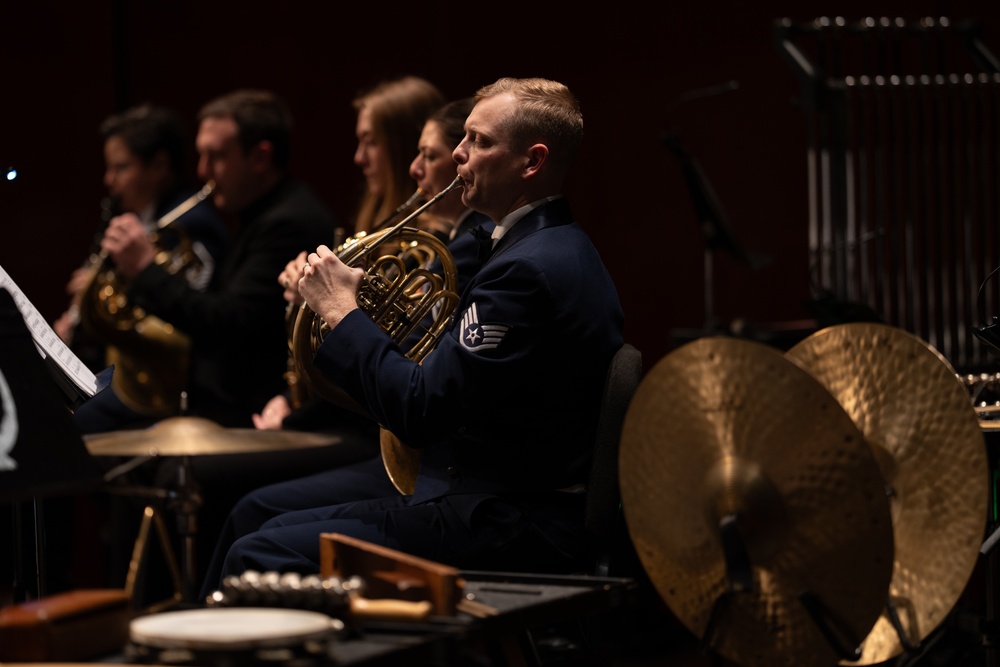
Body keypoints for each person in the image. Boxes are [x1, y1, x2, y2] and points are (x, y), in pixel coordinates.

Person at [205, 77, 624, 589]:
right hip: (486, 500)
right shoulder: (535, 248)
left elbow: (421, 411)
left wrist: (341, 310)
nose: (460, 155)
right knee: (262, 527)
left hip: (507, 520)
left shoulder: (528, 271)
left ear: (531, 163)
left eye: (480, 142)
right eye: (463, 138)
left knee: (260, 548)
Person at [198, 98, 495, 597]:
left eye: (431, 153)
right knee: (250, 515)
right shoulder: (440, 244)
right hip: (390, 436)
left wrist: (332, 307)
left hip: (414, 455)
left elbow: (411, 368)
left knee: (253, 518)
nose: (415, 169)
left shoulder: (467, 252)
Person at [72, 90, 336, 431]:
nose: (202, 171)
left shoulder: (289, 223)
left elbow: (227, 322)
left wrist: (144, 271)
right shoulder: (256, 215)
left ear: (259, 157)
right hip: (212, 400)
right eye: (200, 156)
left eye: (216, 157)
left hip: (246, 411)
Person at [252, 75, 447, 432]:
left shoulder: (432, 247)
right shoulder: (372, 227)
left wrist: (295, 422)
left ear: (405, 147)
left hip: (366, 425)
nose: (359, 158)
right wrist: (310, 293)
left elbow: (388, 356)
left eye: (371, 143)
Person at [53, 104, 230, 378]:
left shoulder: (192, 224)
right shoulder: (139, 218)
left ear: (159, 165)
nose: (109, 180)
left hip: (171, 375)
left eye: (121, 167)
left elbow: (191, 314)